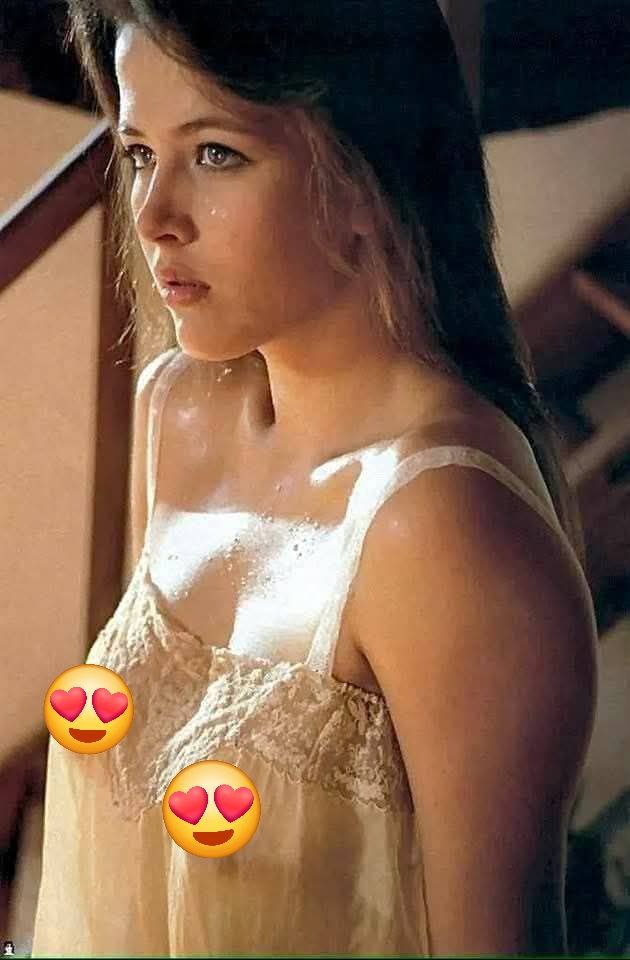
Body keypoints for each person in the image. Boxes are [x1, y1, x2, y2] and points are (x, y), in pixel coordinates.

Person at [32, 1, 597, 955]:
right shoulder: (178, 412)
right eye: (139, 154)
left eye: (216, 153)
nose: (154, 216)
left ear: (369, 175)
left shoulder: (443, 525)